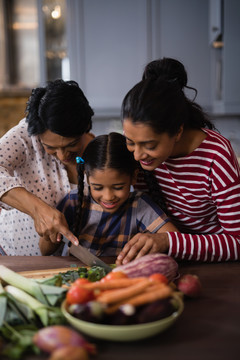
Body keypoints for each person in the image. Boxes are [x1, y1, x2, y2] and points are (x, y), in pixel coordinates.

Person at [117, 57, 240, 265]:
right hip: (164, 261)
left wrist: (168, 241)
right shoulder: (138, 156)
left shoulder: (216, 155)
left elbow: (237, 242)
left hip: (215, 266)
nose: (137, 155)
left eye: (150, 145)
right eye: (130, 142)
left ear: (178, 131)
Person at [39, 132, 178, 256]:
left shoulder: (140, 206)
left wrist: (156, 242)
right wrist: (50, 235)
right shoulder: (74, 201)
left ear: (134, 177)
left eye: (118, 187)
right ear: (87, 178)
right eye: (98, 187)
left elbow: (174, 239)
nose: (108, 197)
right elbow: (45, 251)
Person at [0, 79, 95, 255]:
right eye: (50, 147)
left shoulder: (100, 151)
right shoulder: (26, 136)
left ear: (86, 127)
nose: (62, 156)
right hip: (11, 254)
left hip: (68, 265)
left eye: (72, 144)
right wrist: (38, 209)